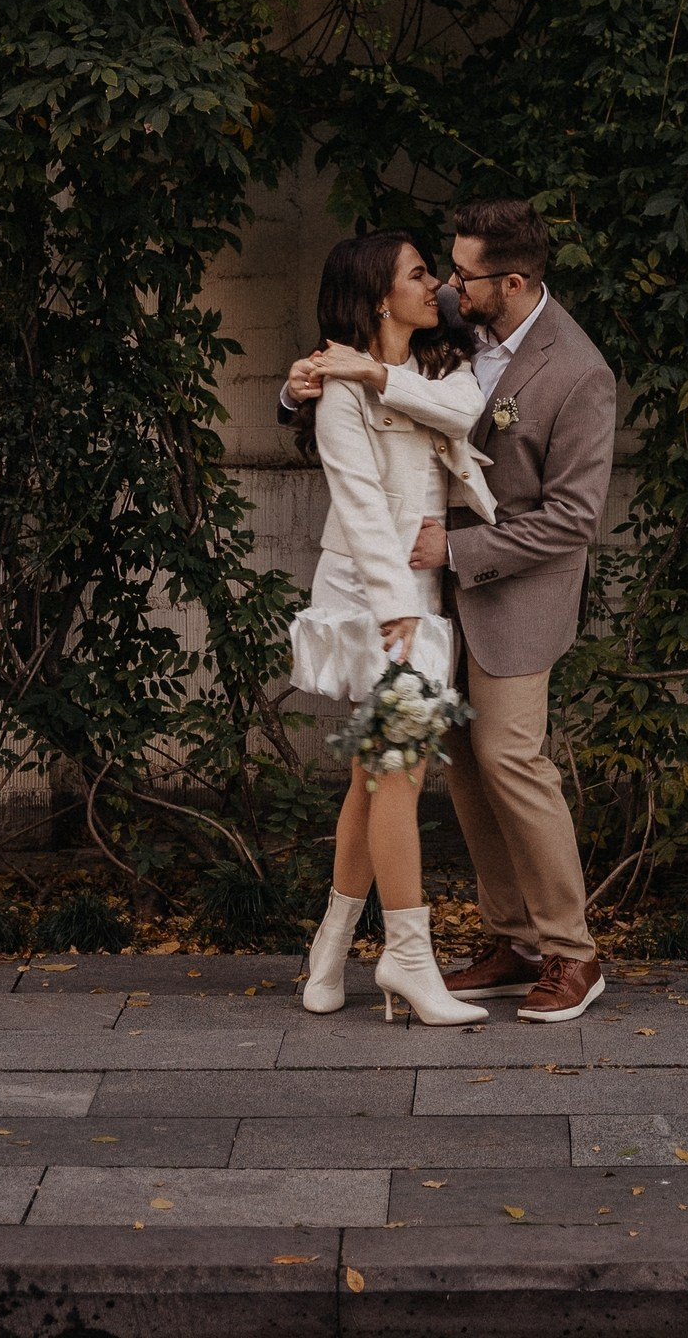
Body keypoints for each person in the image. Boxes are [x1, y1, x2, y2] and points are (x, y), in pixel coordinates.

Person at [285, 198, 618, 1025]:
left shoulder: (578, 372)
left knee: (508, 758)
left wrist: (457, 554)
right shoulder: (443, 317)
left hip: (505, 587)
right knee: (444, 769)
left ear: (508, 283)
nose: (440, 286)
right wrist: (301, 393)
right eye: (434, 269)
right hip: (420, 596)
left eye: (458, 273)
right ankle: (506, 941)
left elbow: (575, 517)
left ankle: (571, 951)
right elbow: (352, 375)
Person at [288, 230, 498, 1026]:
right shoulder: (335, 388)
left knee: (374, 778)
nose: (435, 286)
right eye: (418, 275)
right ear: (380, 295)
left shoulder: (437, 369)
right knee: (401, 774)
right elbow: (362, 508)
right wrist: (395, 606)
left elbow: (467, 410)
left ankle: (334, 943)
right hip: (372, 597)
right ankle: (409, 957)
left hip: (417, 596)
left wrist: (379, 372)